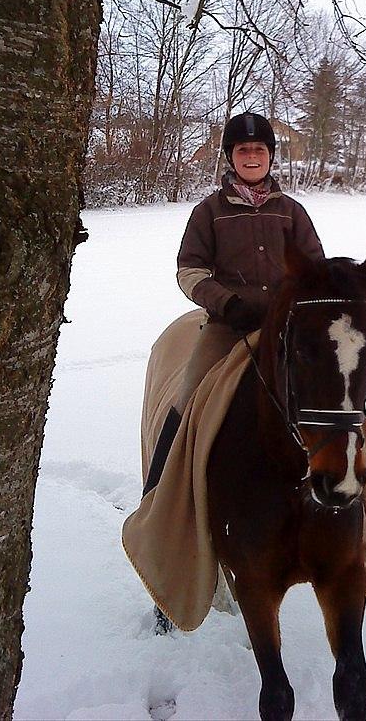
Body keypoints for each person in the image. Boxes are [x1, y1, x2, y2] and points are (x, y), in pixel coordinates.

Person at [142, 112, 324, 497]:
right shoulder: (209, 212)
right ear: (231, 156)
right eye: (244, 150)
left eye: (260, 149)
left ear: (271, 156)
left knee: (335, 397)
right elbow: (189, 271)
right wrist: (227, 304)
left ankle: (365, 503)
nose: (252, 156)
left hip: (287, 329)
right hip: (229, 327)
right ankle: (159, 496)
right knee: (186, 398)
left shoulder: (291, 211)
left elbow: (315, 269)